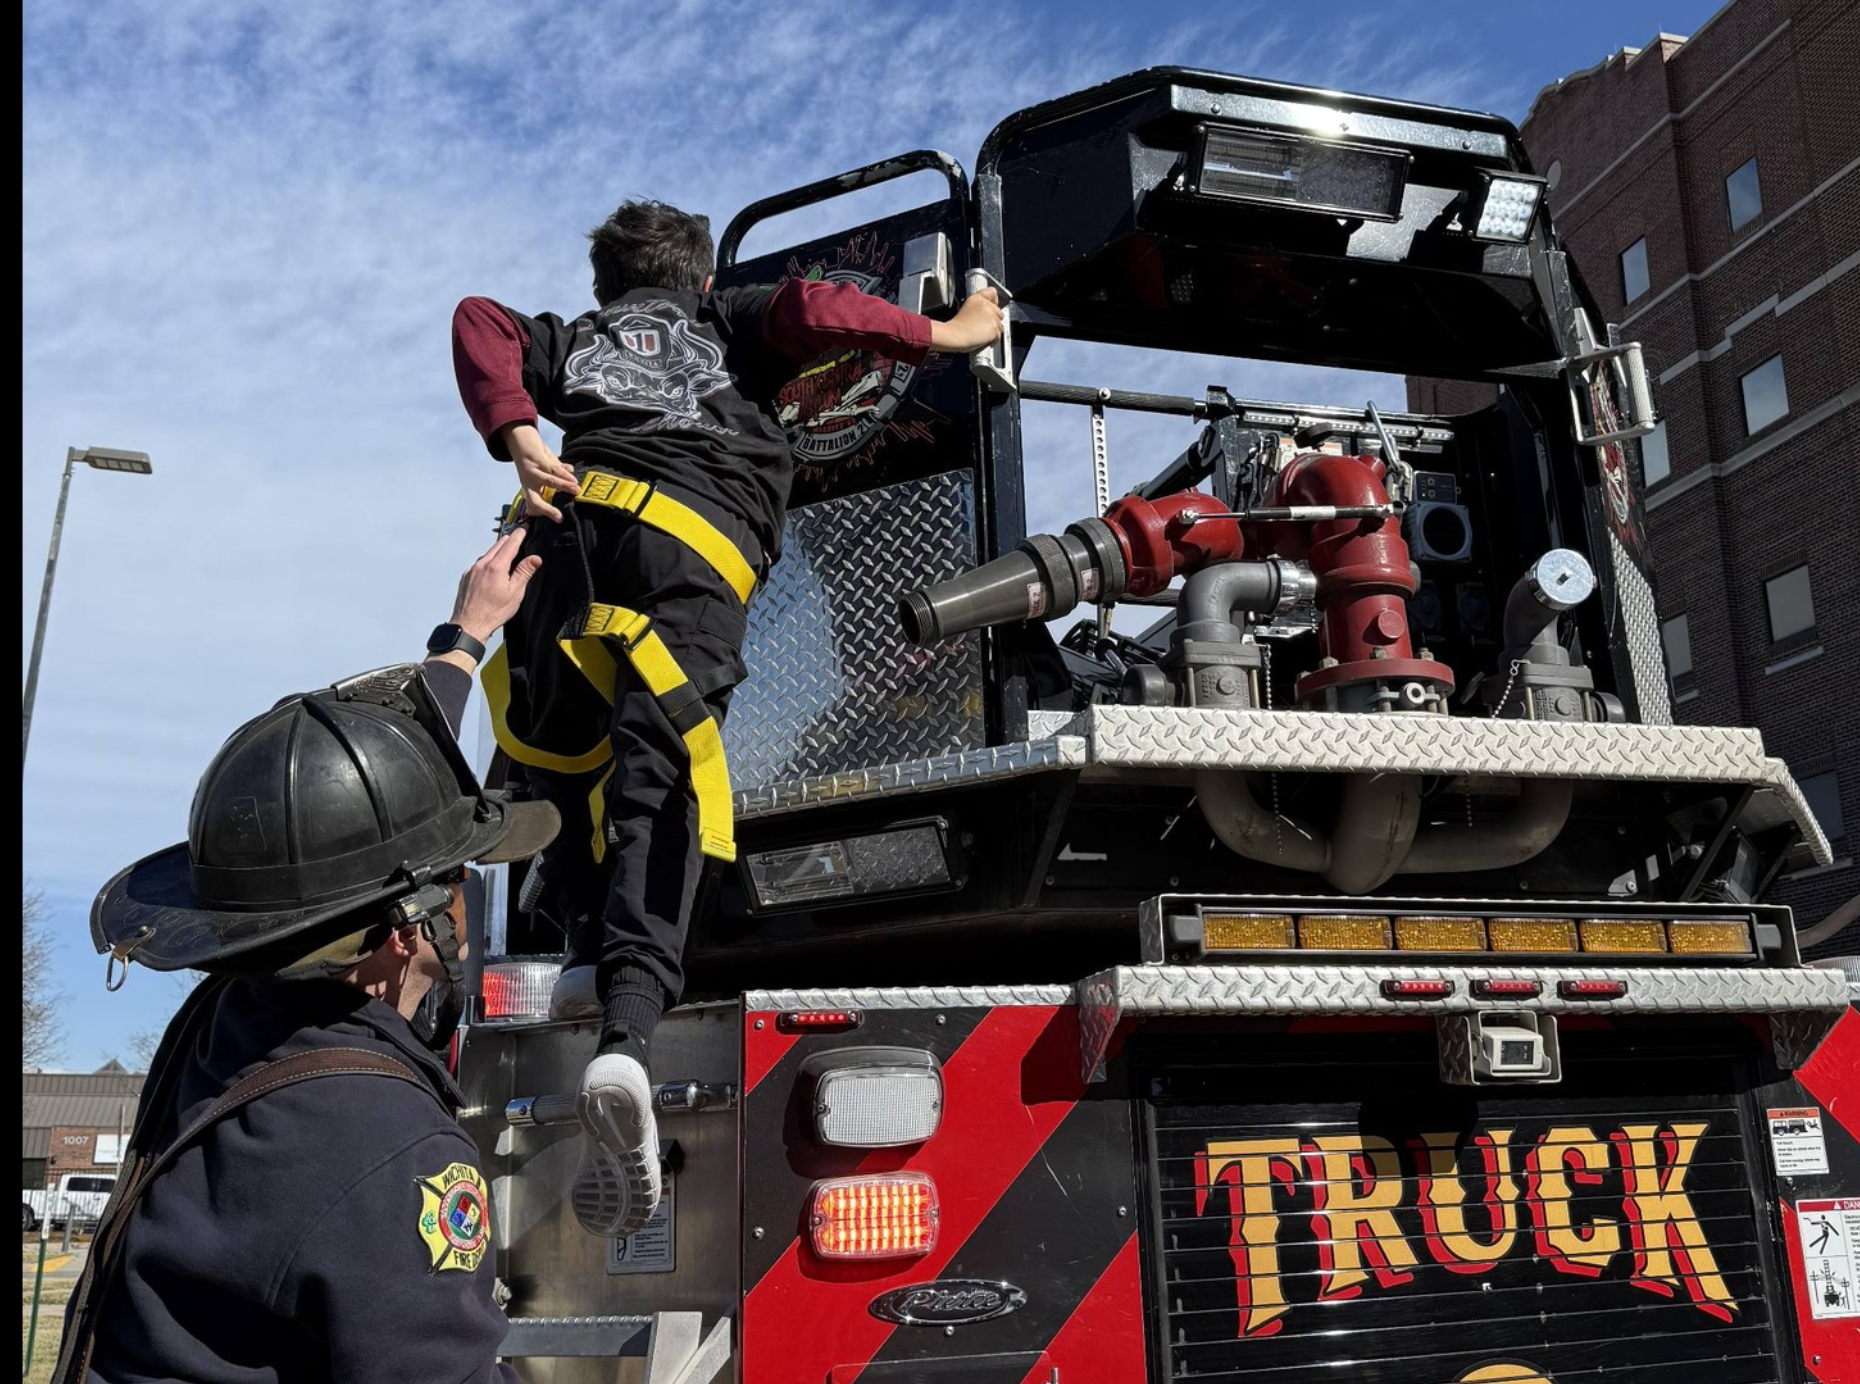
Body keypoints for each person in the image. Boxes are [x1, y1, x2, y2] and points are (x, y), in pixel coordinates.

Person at [451, 198, 1004, 1238]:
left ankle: (576, 940)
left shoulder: (574, 340)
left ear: (609, 284)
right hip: (685, 550)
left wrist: (521, 435)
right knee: (660, 772)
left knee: (557, 754)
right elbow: (817, 305)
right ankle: (627, 1033)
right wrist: (949, 332)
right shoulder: (733, 322)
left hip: (567, 536)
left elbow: (480, 317)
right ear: (700, 281)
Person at [62, 527, 552, 1384]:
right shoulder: (384, 1143)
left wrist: (464, 642)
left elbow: (340, 842)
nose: (474, 891)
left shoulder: (230, 1022)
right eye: (460, 875)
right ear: (410, 930)